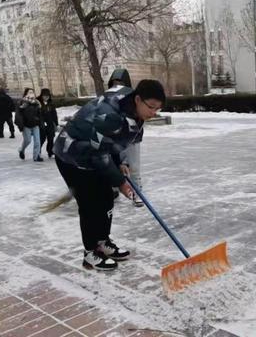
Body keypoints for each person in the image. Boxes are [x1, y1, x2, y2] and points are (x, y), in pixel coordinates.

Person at [53, 79, 166, 271]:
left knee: (106, 199)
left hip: (95, 151)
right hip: (72, 154)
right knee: (89, 204)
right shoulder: (109, 115)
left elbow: (113, 141)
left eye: (158, 109)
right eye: (152, 107)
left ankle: (102, 241)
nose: (154, 113)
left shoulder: (132, 107)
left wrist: (119, 162)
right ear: (138, 99)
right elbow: (98, 153)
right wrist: (120, 182)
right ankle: (90, 253)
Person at [107, 69, 145, 208]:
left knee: (133, 166)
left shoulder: (133, 100)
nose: (117, 87)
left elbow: (138, 119)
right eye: (114, 84)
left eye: (120, 83)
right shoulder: (109, 99)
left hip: (131, 137)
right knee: (114, 164)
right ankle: (113, 189)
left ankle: (137, 193)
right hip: (114, 138)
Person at [15, 88, 44, 162]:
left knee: (37, 141)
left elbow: (39, 113)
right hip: (26, 125)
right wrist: (20, 124)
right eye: (29, 92)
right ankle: (22, 150)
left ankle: (36, 156)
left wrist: (40, 121)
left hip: (35, 124)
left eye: (32, 92)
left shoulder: (37, 102)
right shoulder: (22, 102)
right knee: (27, 140)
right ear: (26, 94)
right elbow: (18, 114)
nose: (31, 93)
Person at [37, 88, 58, 158]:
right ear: (41, 96)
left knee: (51, 138)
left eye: (47, 96)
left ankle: (50, 151)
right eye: (44, 95)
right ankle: (38, 151)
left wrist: (56, 123)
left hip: (50, 124)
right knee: (42, 138)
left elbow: (54, 114)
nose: (46, 97)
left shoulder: (51, 103)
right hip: (41, 124)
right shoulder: (38, 103)